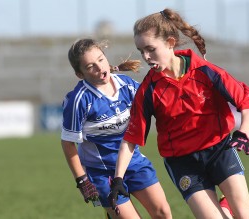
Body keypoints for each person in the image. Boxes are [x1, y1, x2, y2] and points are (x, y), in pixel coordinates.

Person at [109, 8, 249, 219]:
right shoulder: (148, 90)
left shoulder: (205, 71)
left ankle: (228, 210)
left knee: (245, 213)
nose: (146, 57)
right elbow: (130, 139)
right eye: (141, 51)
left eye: (150, 49)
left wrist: (243, 133)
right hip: (183, 163)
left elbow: (247, 102)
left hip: (220, 150)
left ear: (171, 43)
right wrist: (118, 179)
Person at [61, 38, 172, 219]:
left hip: (134, 163)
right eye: (90, 67)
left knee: (163, 213)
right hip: (102, 174)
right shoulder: (78, 100)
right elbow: (68, 144)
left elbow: (156, 105)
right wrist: (82, 180)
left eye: (100, 59)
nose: (99, 68)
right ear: (80, 74)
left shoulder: (127, 85)